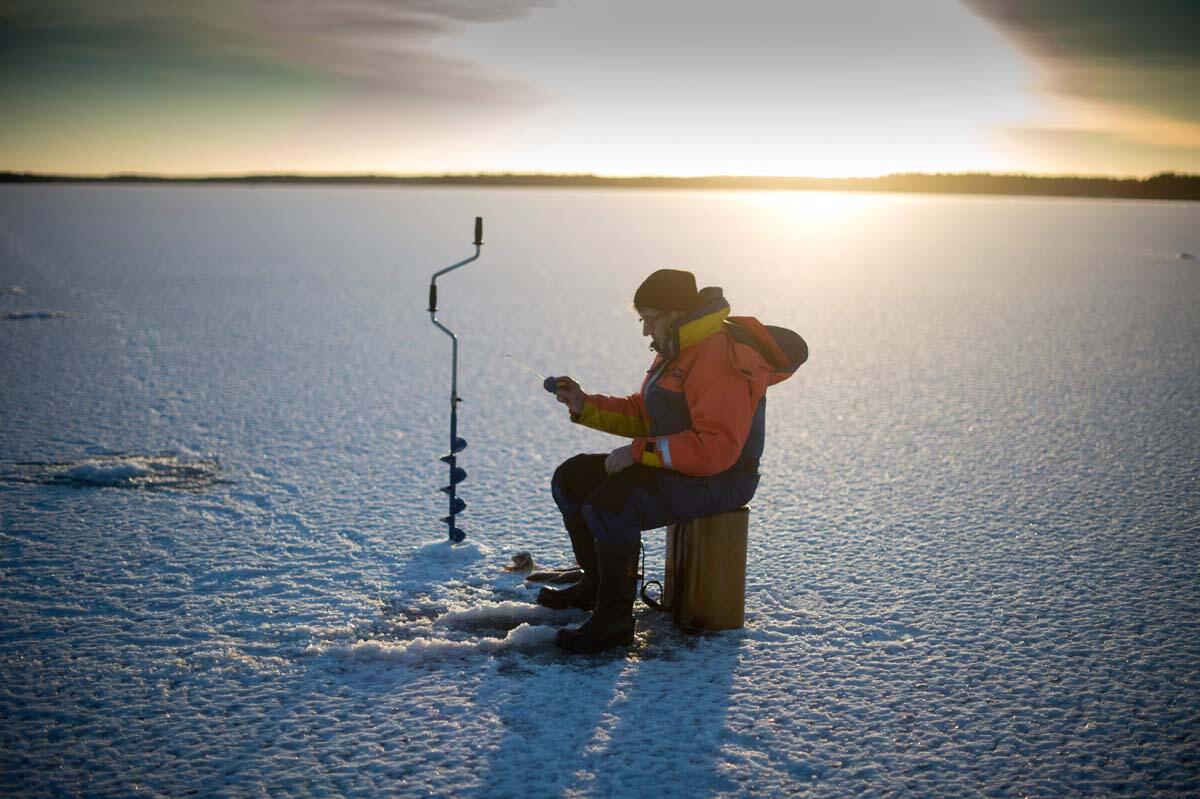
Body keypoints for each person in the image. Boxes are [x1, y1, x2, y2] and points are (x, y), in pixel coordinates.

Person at [539, 268, 807, 653]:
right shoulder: (678, 349)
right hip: (684, 465)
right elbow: (648, 416)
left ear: (675, 313)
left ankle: (613, 621)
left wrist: (635, 453)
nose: (646, 330)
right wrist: (586, 404)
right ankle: (597, 587)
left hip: (723, 477)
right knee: (572, 479)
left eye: (649, 318)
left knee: (613, 503)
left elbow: (714, 450)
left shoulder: (719, 356)